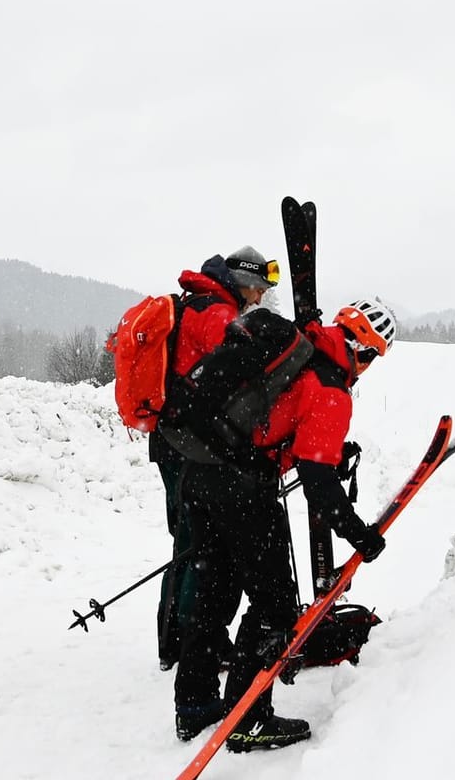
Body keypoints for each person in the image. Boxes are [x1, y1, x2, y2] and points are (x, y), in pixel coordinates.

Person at [171, 297, 396, 751]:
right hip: (242, 490)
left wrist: (328, 454)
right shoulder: (331, 387)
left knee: (216, 590)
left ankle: (194, 705)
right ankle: (249, 719)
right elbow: (317, 481)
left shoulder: (303, 346)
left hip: (200, 469)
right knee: (274, 606)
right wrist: (360, 534)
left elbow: (280, 423)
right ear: (366, 353)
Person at [154, 246, 279, 671]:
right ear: (243, 281)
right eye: (259, 287)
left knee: (189, 542)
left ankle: (178, 639)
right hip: (188, 443)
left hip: (175, 439)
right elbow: (230, 373)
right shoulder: (217, 314)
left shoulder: (199, 303)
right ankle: (186, 643)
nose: (259, 297)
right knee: (197, 546)